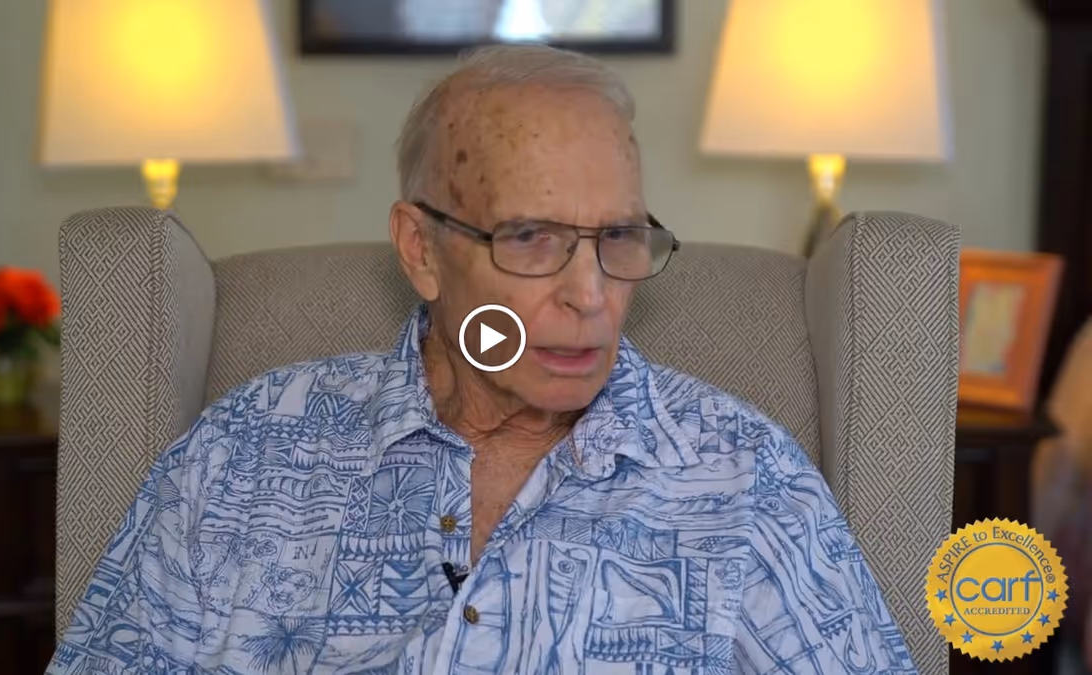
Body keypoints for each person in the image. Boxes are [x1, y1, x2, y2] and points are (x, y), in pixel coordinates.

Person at [46, 45, 915, 674]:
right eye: (530, 237)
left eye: (618, 236)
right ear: (420, 250)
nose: (590, 294)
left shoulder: (748, 478)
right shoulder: (243, 452)